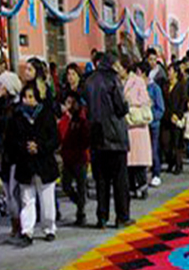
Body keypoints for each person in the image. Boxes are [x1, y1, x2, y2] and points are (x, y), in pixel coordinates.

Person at [82, 51, 132, 228]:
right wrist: (126, 104)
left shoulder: (89, 80)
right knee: (120, 180)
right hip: (115, 136)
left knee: (101, 180)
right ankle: (122, 216)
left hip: (96, 135)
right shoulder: (113, 80)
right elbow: (120, 108)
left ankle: (102, 217)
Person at [9, 84, 59, 246]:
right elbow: (11, 140)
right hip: (25, 164)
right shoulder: (17, 117)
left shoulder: (46, 115)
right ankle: (27, 231)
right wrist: (25, 147)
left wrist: (39, 146)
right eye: (25, 97)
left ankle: (49, 228)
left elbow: (55, 139)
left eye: (31, 97)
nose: (28, 100)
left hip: (44, 163)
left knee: (47, 200)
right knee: (27, 199)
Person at [0, 70, 23, 237]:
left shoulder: (17, 107)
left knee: (14, 191)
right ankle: (14, 223)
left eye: (1, 84)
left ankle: (20, 224)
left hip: (14, 155)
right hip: (2, 154)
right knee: (7, 192)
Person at [122, 60, 153, 199]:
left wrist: (131, 104)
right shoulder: (117, 82)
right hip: (126, 127)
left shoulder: (137, 81)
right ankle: (130, 187)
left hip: (138, 126)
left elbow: (145, 101)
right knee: (128, 161)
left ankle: (142, 185)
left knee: (139, 161)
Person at [58, 91, 90, 226]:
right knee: (66, 185)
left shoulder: (82, 119)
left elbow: (86, 138)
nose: (69, 106)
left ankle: (81, 212)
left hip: (80, 157)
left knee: (81, 185)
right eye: (67, 103)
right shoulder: (63, 120)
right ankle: (79, 201)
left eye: (72, 103)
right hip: (67, 157)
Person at [162, 63, 187, 174]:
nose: (168, 73)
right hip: (166, 118)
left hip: (177, 118)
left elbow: (183, 102)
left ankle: (178, 165)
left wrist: (177, 115)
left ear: (176, 73)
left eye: (170, 71)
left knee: (177, 143)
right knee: (166, 142)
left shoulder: (181, 86)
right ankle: (170, 162)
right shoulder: (165, 86)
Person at [145, 62, 165, 187]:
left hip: (153, 125)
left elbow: (160, 108)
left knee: (154, 149)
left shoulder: (155, 88)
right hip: (141, 125)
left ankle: (156, 173)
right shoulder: (138, 88)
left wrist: (152, 118)